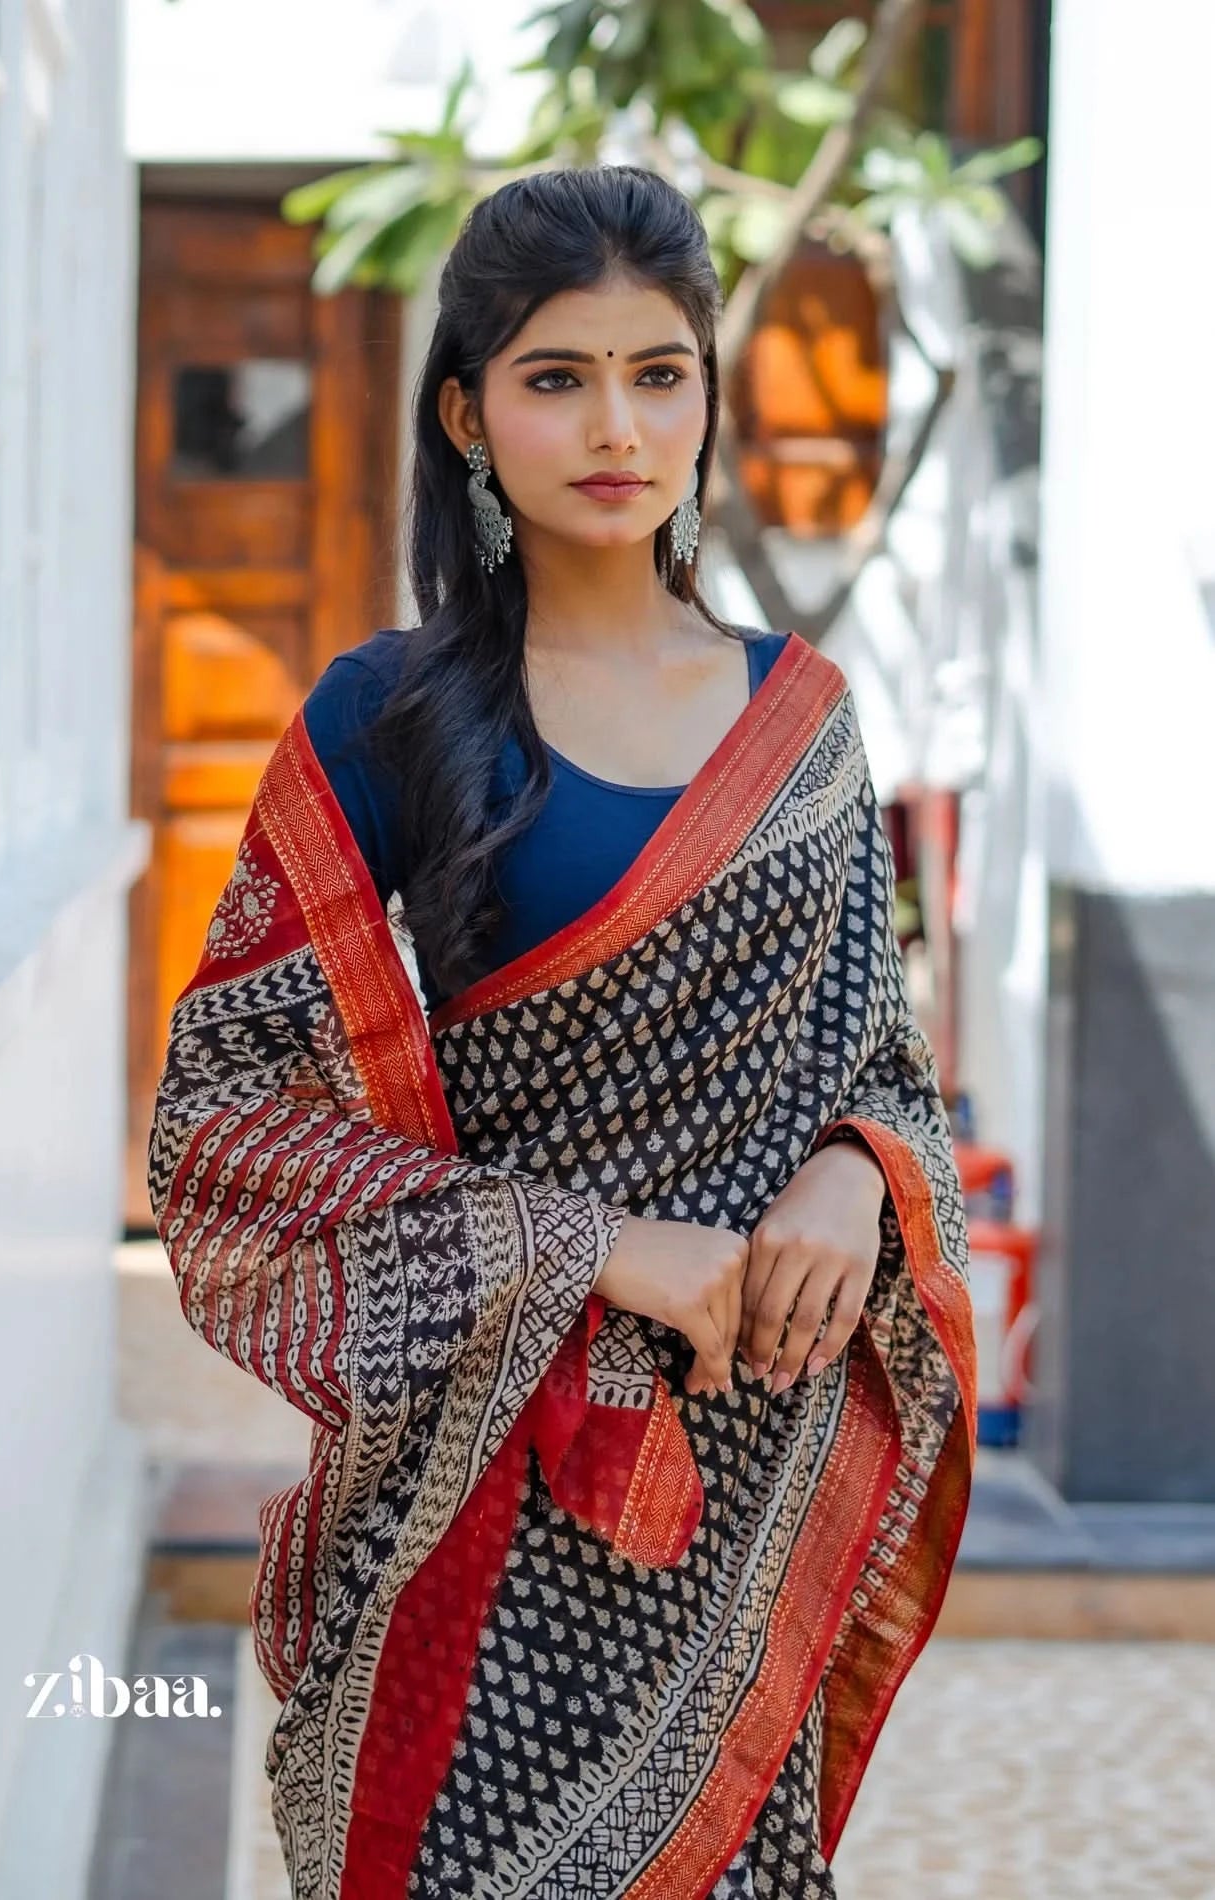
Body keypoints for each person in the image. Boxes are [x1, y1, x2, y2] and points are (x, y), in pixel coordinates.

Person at [148, 165, 975, 1900]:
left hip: (746, 1477)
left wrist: (857, 1173)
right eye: (555, 375)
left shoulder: (805, 725)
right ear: (467, 411)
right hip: (474, 1487)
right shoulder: (385, 720)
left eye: (658, 372)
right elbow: (218, 1115)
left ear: (706, 395)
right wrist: (600, 1246)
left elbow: (887, 1071)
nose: (616, 422)